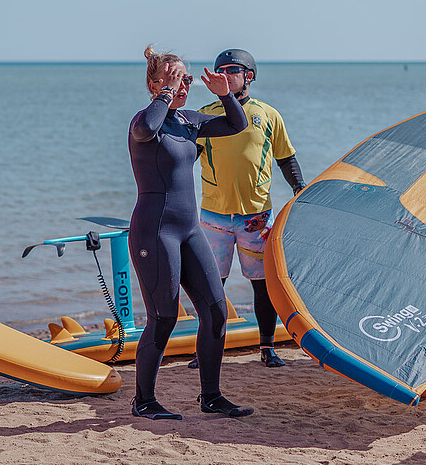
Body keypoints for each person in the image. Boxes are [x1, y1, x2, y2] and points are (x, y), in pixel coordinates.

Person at [128, 46, 251, 420]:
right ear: (154, 85)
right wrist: (165, 93)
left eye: (185, 78)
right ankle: (143, 401)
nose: (183, 84)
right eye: (173, 78)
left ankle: (210, 396)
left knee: (215, 312)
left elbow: (237, 125)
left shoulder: (190, 122)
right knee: (163, 318)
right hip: (154, 232)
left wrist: (225, 94)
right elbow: (147, 128)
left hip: (188, 231)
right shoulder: (143, 121)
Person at [194, 48, 305, 368]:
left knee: (262, 285)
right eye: (220, 71)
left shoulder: (268, 114)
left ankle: (267, 347)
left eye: (233, 70)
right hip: (214, 217)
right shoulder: (205, 114)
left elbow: (286, 157)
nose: (226, 75)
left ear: (249, 76)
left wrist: (300, 190)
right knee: (211, 287)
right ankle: (207, 349)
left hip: (256, 217)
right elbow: (184, 157)